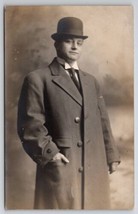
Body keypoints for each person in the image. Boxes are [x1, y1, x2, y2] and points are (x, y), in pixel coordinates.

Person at [17, 17, 120, 209]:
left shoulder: (91, 81)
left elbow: (103, 120)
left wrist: (111, 155)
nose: (75, 47)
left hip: (93, 165)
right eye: (68, 41)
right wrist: (51, 155)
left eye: (79, 43)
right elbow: (31, 126)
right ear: (56, 44)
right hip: (64, 165)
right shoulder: (38, 79)